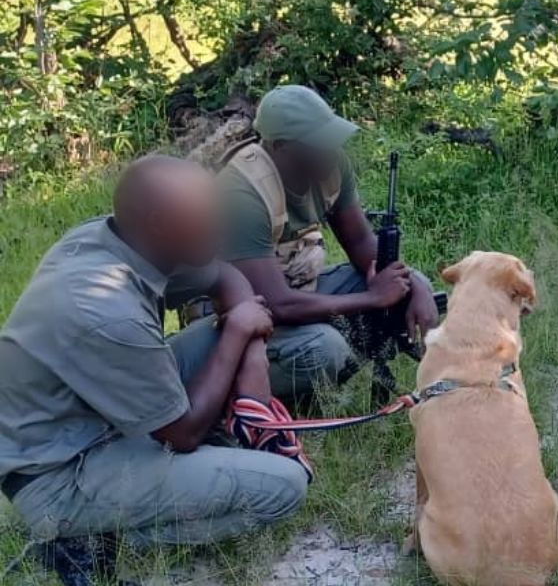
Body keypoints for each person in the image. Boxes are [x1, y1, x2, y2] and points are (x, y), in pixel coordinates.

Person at [0, 157, 310, 586]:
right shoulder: (107, 310)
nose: (221, 227)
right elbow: (183, 434)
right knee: (283, 487)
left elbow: (224, 276)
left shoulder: (125, 239)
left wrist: (252, 357)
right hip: (60, 472)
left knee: (222, 337)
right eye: (207, 218)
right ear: (161, 225)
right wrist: (239, 332)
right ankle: (83, 538)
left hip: (100, 411)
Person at [218, 85, 439, 403]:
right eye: (320, 144)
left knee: (408, 286)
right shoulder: (241, 192)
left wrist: (413, 284)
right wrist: (373, 298)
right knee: (324, 348)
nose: (332, 151)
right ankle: (257, 398)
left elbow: (362, 243)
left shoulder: (329, 168)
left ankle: (323, 381)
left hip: (299, 291)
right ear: (282, 148)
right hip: (239, 322)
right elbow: (278, 304)